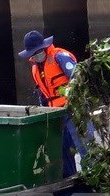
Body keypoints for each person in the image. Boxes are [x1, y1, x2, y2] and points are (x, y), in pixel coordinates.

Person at [18, 30, 89, 177]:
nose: (36, 57)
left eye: (39, 53)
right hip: (57, 115)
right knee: (62, 150)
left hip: (74, 110)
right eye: (33, 55)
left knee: (85, 147)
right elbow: (43, 95)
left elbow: (78, 79)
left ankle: (94, 177)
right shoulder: (35, 69)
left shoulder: (60, 57)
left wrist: (76, 103)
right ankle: (69, 179)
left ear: (44, 49)